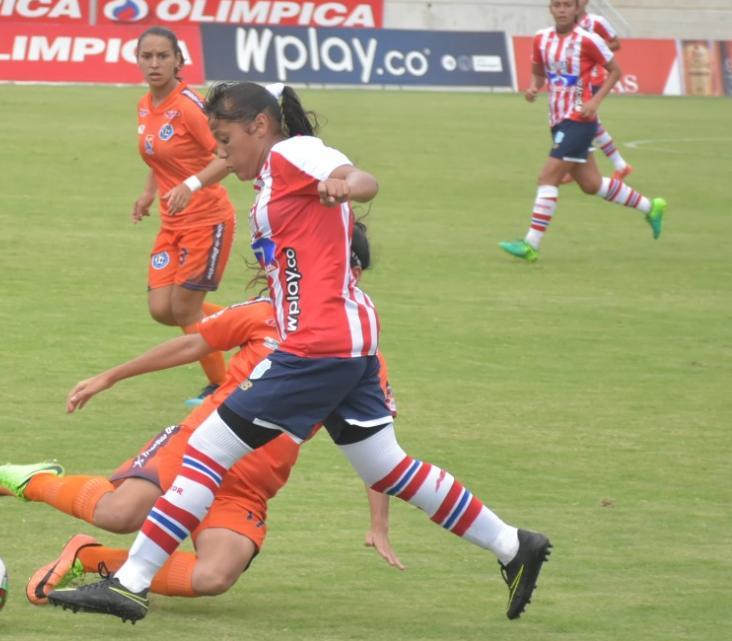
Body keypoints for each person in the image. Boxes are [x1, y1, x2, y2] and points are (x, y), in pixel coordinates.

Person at [49, 82, 551, 623]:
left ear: (258, 127)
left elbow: (364, 179)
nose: (222, 153)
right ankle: (512, 545)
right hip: (346, 343)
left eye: (225, 140)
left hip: (316, 344)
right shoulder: (270, 173)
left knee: (204, 450)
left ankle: (129, 582)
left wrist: (347, 185)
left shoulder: (292, 153)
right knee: (386, 466)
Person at [0, 231, 403, 606]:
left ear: (356, 273)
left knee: (214, 576)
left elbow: (373, 447)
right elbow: (192, 346)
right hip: (198, 446)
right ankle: (35, 481)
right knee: (118, 514)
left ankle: (89, 557)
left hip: (248, 483)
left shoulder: (360, 358)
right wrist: (109, 377)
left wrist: (378, 523)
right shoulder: (264, 313)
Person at [499, 0, 666, 263]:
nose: (562, 9)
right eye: (557, 5)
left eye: (567, 5)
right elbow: (538, 74)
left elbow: (616, 71)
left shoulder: (588, 40)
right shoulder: (541, 39)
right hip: (557, 118)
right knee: (590, 184)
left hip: (579, 119)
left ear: (577, 9)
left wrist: (595, 102)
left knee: (547, 178)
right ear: (550, 8)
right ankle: (651, 207)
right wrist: (532, 89)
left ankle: (531, 244)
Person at [131, 27, 237, 406]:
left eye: (163, 56)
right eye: (148, 56)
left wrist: (190, 185)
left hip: (207, 220)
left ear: (179, 60)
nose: (155, 63)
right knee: (163, 310)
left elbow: (227, 155)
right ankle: (259, 325)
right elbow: (160, 155)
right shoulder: (146, 104)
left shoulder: (191, 106)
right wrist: (148, 192)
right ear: (138, 60)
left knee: (186, 310)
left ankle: (221, 387)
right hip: (171, 221)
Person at [573, 0, 632, 181]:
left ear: (586, 0)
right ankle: (618, 164)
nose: (578, 1)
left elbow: (616, 43)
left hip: (594, 77)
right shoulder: (568, 24)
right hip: (577, 79)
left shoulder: (597, 22)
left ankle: (579, 165)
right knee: (587, 122)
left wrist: (596, 49)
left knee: (582, 120)